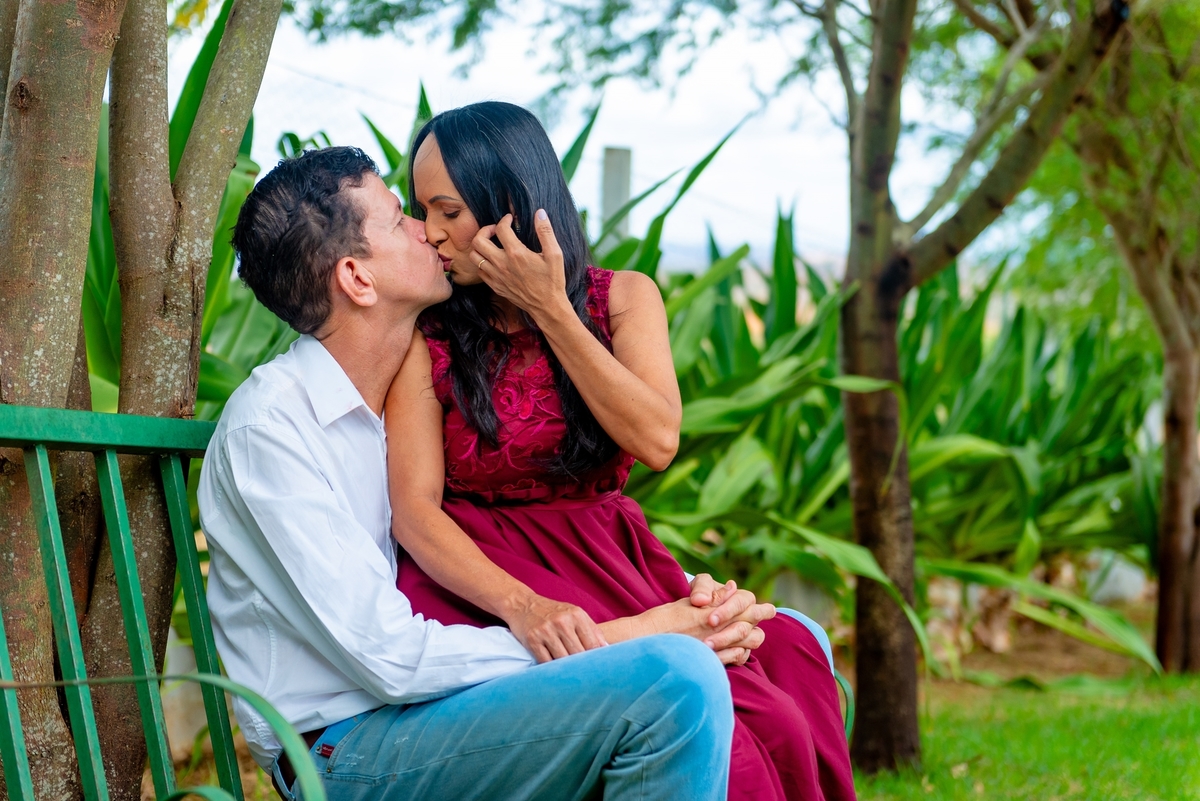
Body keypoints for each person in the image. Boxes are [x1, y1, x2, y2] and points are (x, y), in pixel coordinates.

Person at [199, 146, 769, 801]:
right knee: (674, 676)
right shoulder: (273, 428)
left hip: (444, 717)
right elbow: (391, 659)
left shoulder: (400, 404)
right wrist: (638, 631)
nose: (428, 229)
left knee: (782, 642)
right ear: (357, 277)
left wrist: (665, 598)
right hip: (347, 749)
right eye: (399, 219)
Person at [389, 102, 857, 801]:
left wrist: (550, 310)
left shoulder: (624, 300)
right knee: (734, 741)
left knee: (784, 686)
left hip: (608, 559)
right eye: (420, 208)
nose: (430, 233)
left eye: (447, 210)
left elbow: (657, 438)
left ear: (508, 204)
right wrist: (522, 606)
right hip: (486, 577)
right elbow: (414, 512)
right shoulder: (428, 332)